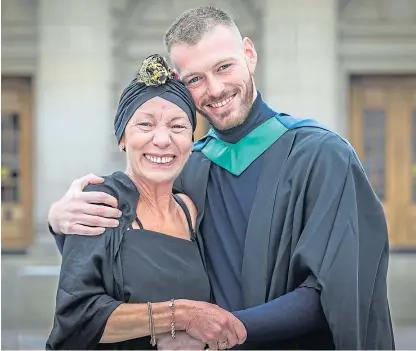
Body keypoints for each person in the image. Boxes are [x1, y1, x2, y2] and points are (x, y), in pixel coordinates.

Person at [48, 6, 395, 350]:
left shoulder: (322, 157)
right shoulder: (189, 166)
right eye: (195, 79)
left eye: (224, 67)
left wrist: (218, 328)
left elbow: (337, 288)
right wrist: (59, 221)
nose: (214, 89)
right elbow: (121, 263)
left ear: (249, 54)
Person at [46, 54, 247, 350]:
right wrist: (182, 316)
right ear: (122, 138)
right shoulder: (100, 202)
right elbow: (77, 318)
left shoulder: (191, 211)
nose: (162, 139)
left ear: (191, 142)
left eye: (177, 127)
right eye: (145, 124)